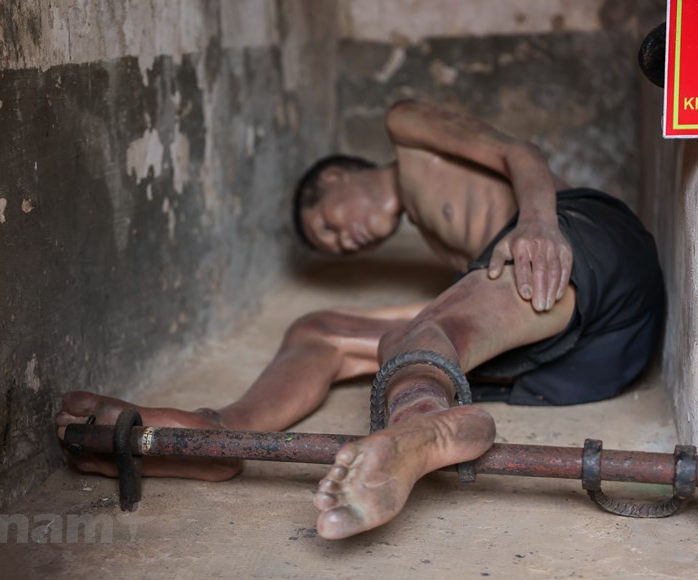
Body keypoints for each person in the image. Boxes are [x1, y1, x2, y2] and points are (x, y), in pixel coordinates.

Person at [55, 99, 664, 540]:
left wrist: (538, 222)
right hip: (586, 350)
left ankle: (427, 430)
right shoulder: (444, 238)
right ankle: (220, 434)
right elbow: (452, 308)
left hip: (584, 243)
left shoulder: (408, 130)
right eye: (334, 248)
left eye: (329, 225)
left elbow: (518, 151)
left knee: (420, 335)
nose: (343, 242)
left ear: (334, 177)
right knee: (320, 329)